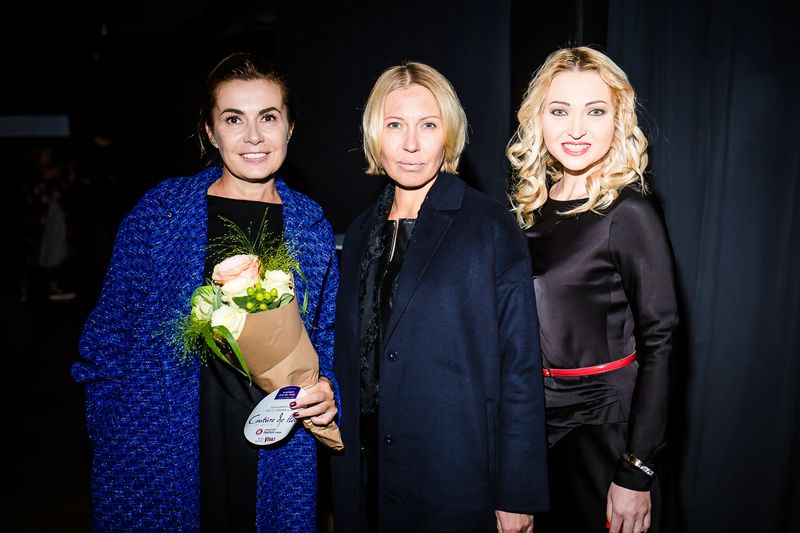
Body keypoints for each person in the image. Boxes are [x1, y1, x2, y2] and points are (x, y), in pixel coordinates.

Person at [72, 52, 339, 532]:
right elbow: (106, 336)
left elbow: (328, 336)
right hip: (162, 445)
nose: (253, 136)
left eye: (268, 117)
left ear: (291, 128)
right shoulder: (162, 213)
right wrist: (112, 428)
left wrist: (326, 389)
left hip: (276, 446)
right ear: (211, 132)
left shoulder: (311, 226)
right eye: (234, 119)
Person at [331, 61, 549, 533]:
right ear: (375, 133)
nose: (411, 144)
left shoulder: (488, 226)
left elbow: (521, 366)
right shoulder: (359, 233)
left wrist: (518, 492)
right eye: (395, 125)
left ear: (448, 133)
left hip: (454, 479)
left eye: (428, 125)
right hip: (366, 480)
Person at [507, 47, 679, 533]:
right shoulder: (527, 212)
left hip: (605, 432)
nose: (577, 129)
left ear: (618, 119)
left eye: (595, 111)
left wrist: (637, 468)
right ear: (538, 119)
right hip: (535, 429)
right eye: (560, 111)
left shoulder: (629, 213)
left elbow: (661, 343)